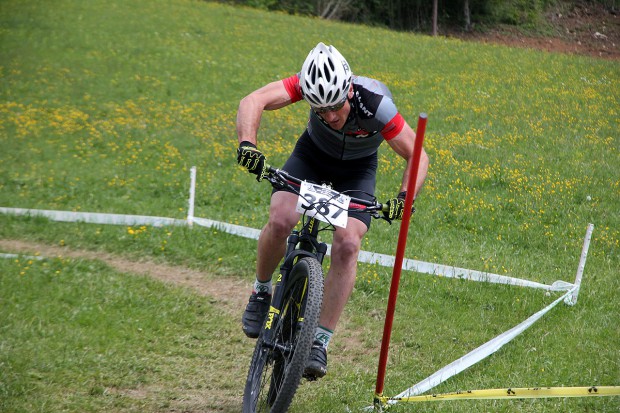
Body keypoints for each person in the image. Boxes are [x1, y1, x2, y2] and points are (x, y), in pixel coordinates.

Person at [236, 42, 429, 379]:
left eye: (336, 107)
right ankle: (261, 290)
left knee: (348, 243)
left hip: (357, 171)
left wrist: (404, 197)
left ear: (348, 90)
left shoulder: (375, 104)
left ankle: (319, 341)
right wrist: (247, 145)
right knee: (281, 218)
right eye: (319, 109)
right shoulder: (304, 84)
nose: (331, 116)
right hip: (312, 155)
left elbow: (418, 154)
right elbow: (253, 101)